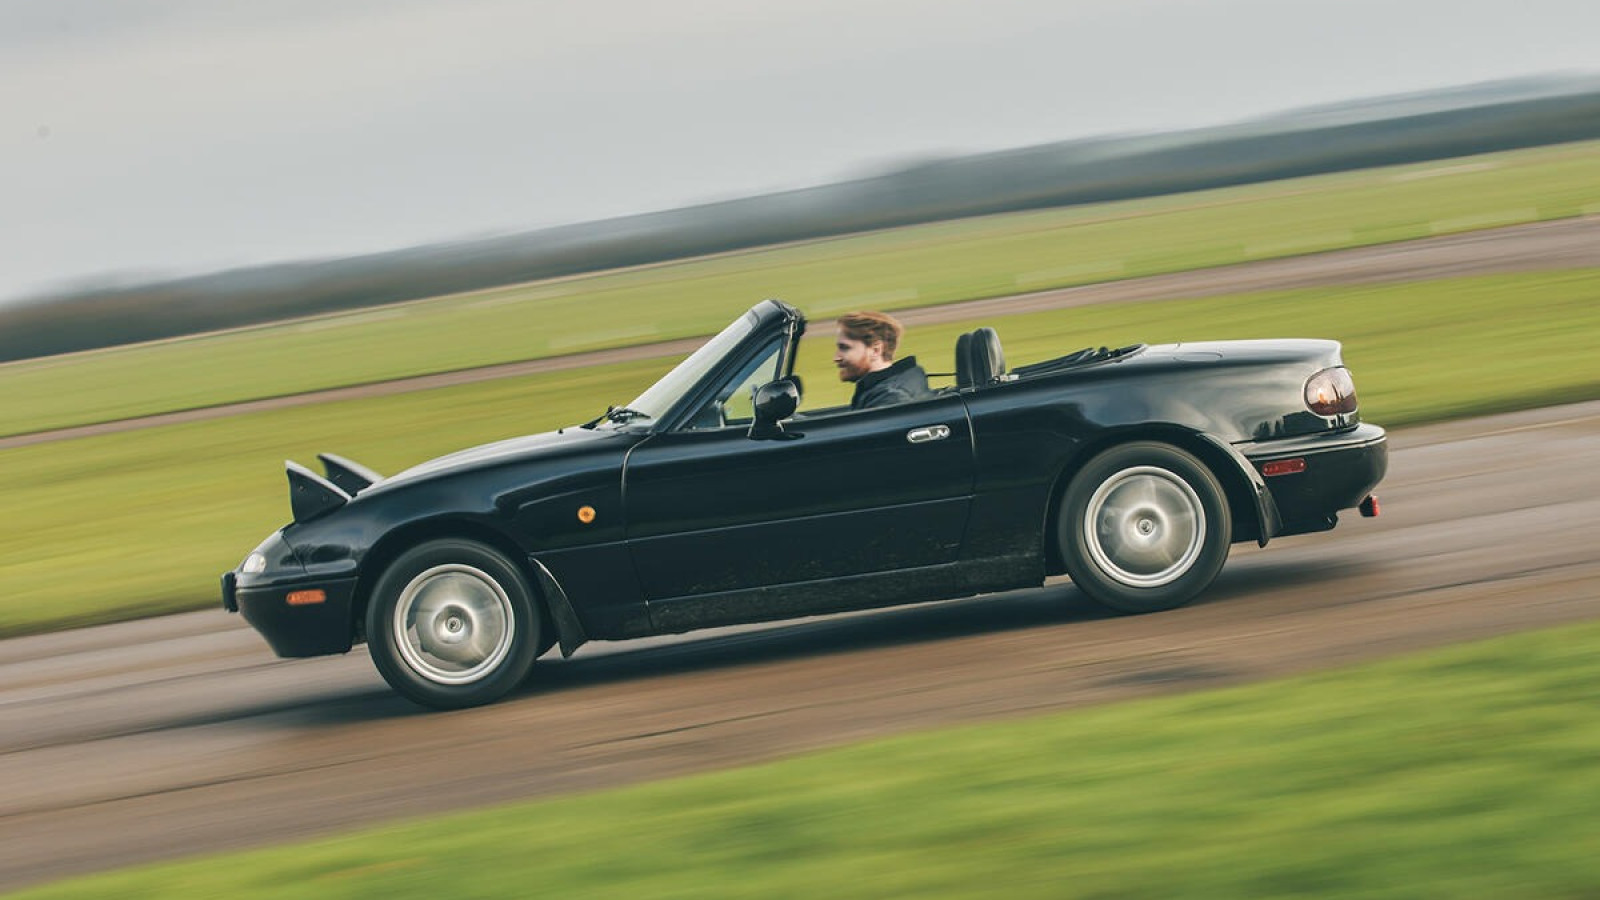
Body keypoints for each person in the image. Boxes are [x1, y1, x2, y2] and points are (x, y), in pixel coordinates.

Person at [834, 310, 933, 410]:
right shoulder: (890, 387)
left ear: (875, 350)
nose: (836, 358)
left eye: (844, 348)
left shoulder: (889, 400)